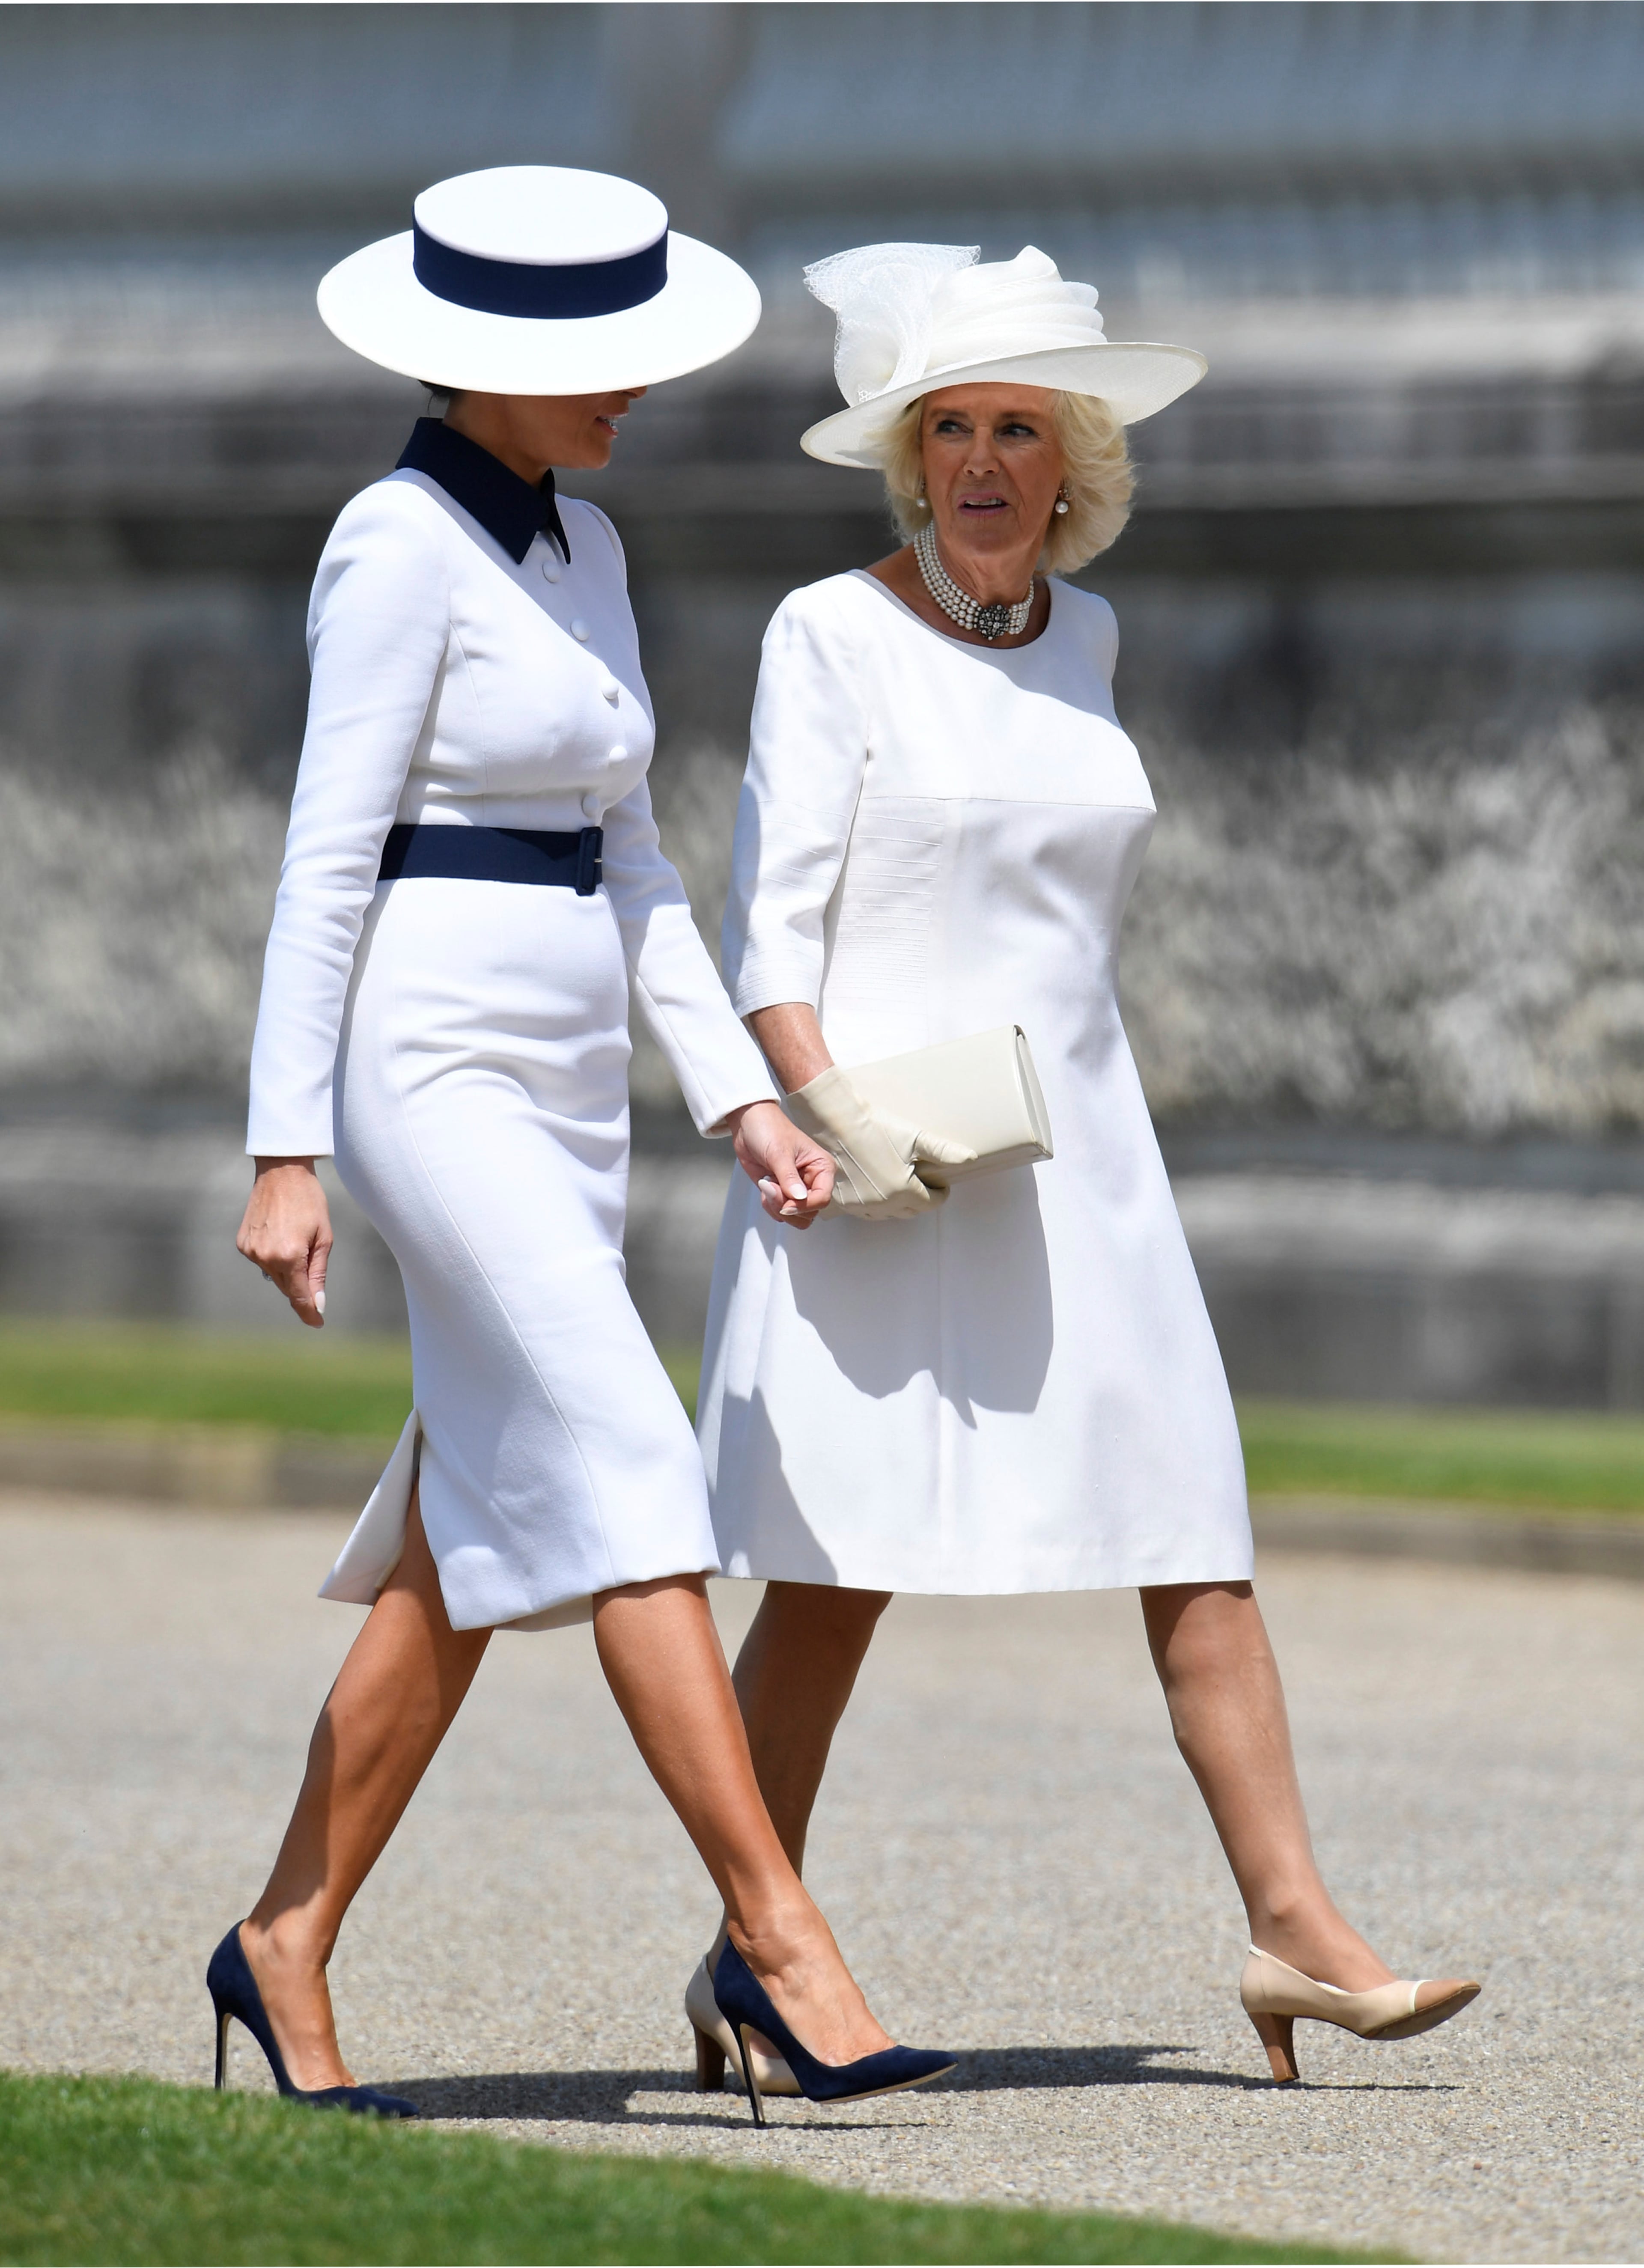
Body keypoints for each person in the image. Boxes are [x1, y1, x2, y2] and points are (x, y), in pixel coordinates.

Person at [693, 242, 1480, 2089]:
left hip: (1087, 1154)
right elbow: (766, 940)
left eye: (1017, 429)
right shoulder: (827, 632)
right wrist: (832, 1111)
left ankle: (1298, 1929)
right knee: (833, 1571)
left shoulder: (1096, 639)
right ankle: (756, 1944)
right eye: (949, 427)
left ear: (1075, 462)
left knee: (1192, 1525)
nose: (980, 461)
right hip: (882, 1162)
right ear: (911, 456)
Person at [218, 172, 951, 2124]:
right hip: (426, 1056)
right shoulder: (390, 542)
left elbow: (634, 858)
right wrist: (289, 1145)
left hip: (563, 1078)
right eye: (592, 362)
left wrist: (739, 1094)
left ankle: (283, 1935)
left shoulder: (591, 547)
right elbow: (322, 856)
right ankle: (782, 1940)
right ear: (484, 366)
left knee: (470, 1540)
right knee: (632, 1464)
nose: (629, 389)